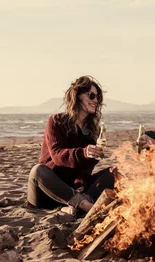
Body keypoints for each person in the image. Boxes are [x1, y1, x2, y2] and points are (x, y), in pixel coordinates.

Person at [27, 76, 116, 213]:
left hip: (73, 191)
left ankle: (74, 206)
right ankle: (83, 205)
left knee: (114, 172)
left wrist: (80, 182)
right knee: (37, 170)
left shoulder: (92, 130)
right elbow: (57, 156)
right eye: (91, 96)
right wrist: (83, 152)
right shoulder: (56, 121)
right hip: (50, 191)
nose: (95, 101)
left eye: (98, 97)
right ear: (77, 96)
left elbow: (86, 168)